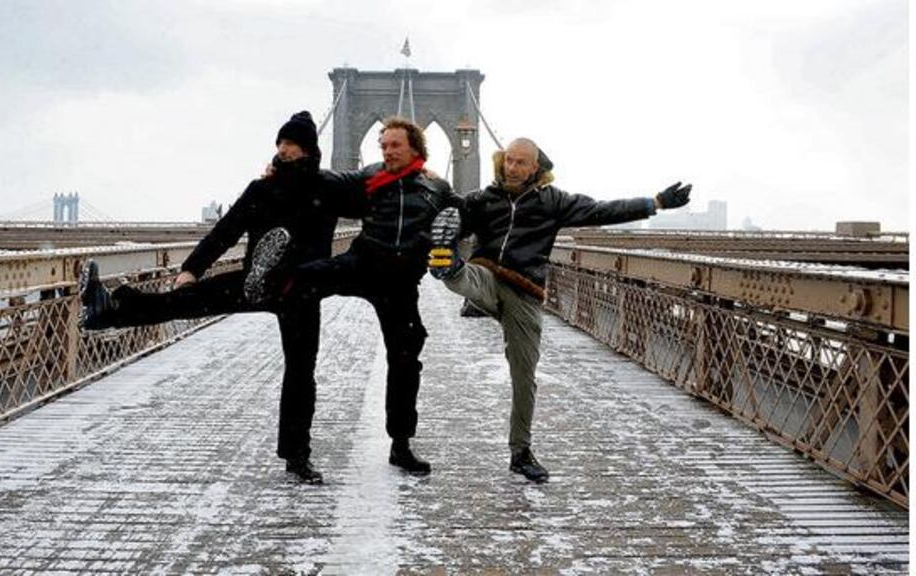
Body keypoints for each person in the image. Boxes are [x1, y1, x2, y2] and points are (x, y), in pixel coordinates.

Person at [78, 111, 343, 484]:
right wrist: (192, 268)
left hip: (303, 288)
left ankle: (297, 456)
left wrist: (415, 178)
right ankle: (105, 309)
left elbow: (371, 193)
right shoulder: (261, 190)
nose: (283, 150)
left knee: (301, 373)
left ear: (308, 148)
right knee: (183, 299)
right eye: (280, 143)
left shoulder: (328, 189)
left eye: (290, 143)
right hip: (259, 281)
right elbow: (225, 232)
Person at [426, 137, 692, 483]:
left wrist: (653, 202)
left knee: (524, 377)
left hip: (525, 292)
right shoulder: (482, 199)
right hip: (487, 276)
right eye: (509, 160)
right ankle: (449, 268)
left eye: (521, 162)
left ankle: (520, 452)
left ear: (536, 167)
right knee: (466, 276)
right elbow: (453, 215)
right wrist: (431, 184)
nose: (512, 167)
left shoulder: (553, 202)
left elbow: (600, 211)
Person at [268, 117, 462, 476]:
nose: (387, 152)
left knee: (406, 361)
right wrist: (287, 166)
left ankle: (401, 445)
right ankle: (295, 450)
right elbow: (326, 181)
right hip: (363, 262)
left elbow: (466, 214)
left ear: (415, 149)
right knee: (296, 280)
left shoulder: (437, 188)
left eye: (395, 145)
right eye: (383, 145)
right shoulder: (371, 175)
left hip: (400, 282)